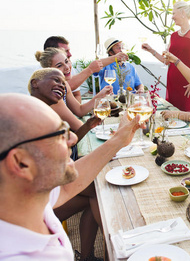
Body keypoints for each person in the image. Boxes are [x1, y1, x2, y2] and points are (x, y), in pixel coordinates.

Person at [0, 93, 142, 260]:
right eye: (59, 134)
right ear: (21, 162)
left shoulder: (24, 197)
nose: (73, 138)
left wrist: (119, 139)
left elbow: (67, 188)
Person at [28, 68, 103, 261]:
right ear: (35, 82)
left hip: (49, 191)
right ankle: (113, 245)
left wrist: (89, 125)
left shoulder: (46, 112)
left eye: (64, 83)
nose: (63, 85)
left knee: (94, 196)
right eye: (56, 80)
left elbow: (69, 141)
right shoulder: (30, 117)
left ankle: (86, 256)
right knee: (98, 191)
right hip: (37, 205)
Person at [142, 1, 190, 112]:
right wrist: (151, 50)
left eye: (174, 13)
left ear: (183, 13)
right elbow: (166, 61)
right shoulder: (173, 36)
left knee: (184, 114)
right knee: (170, 113)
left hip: (186, 82)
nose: (172, 17)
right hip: (171, 80)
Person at [35, 47, 111, 132]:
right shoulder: (52, 93)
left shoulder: (64, 85)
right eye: (59, 65)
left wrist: (101, 94)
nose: (67, 67)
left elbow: (79, 110)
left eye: (66, 61)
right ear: (49, 70)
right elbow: (79, 127)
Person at [43, 36, 128, 103]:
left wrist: (73, 110)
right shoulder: (43, 77)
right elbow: (68, 86)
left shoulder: (69, 68)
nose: (70, 54)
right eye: (66, 51)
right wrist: (89, 70)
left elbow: (77, 95)